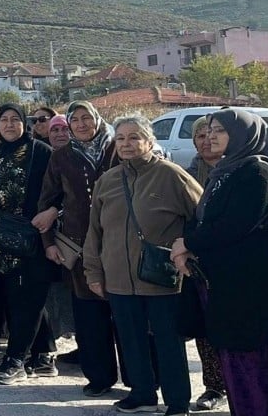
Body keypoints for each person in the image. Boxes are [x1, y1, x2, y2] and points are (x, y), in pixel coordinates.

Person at [84, 115, 201, 416]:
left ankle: (177, 402)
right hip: (119, 278)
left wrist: (186, 249)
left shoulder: (171, 175)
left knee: (168, 343)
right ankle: (142, 394)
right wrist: (93, 272)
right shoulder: (107, 181)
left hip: (161, 278)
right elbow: (94, 232)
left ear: (149, 141)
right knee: (131, 340)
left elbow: (201, 217)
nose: (127, 144)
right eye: (121, 138)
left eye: (134, 137)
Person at [173, 109, 268, 416]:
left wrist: (188, 244)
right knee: (234, 364)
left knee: (254, 366)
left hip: (249, 291)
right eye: (209, 129)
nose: (212, 135)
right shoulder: (225, 172)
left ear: (244, 134)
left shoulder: (258, 173)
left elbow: (234, 225)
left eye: (221, 129)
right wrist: (186, 246)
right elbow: (200, 220)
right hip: (223, 285)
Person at [34, 101, 121, 398]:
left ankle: (139, 379)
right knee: (89, 315)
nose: (82, 124)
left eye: (87, 118)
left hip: (121, 245)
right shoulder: (61, 157)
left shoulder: (117, 148)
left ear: (98, 119)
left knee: (125, 315)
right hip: (81, 247)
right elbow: (47, 202)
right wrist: (48, 244)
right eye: (76, 120)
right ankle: (99, 376)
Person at [0, 104, 57, 385]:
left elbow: (60, 190)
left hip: (28, 239)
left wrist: (53, 211)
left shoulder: (39, 152)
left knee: (27, 300)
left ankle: (16, 360)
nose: (8, 125)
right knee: (17, 298)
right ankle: (43, 355)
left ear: (25, 123)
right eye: (3, 120)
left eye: (14, 119)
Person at [180, 116, 228, 411]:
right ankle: (214, 387)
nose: (206, 139)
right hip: (200, 263)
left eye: (212, 133)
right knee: (206, 327)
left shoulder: (243, 170)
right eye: (200, 134)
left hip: (237, 263)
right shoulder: (185, 174)